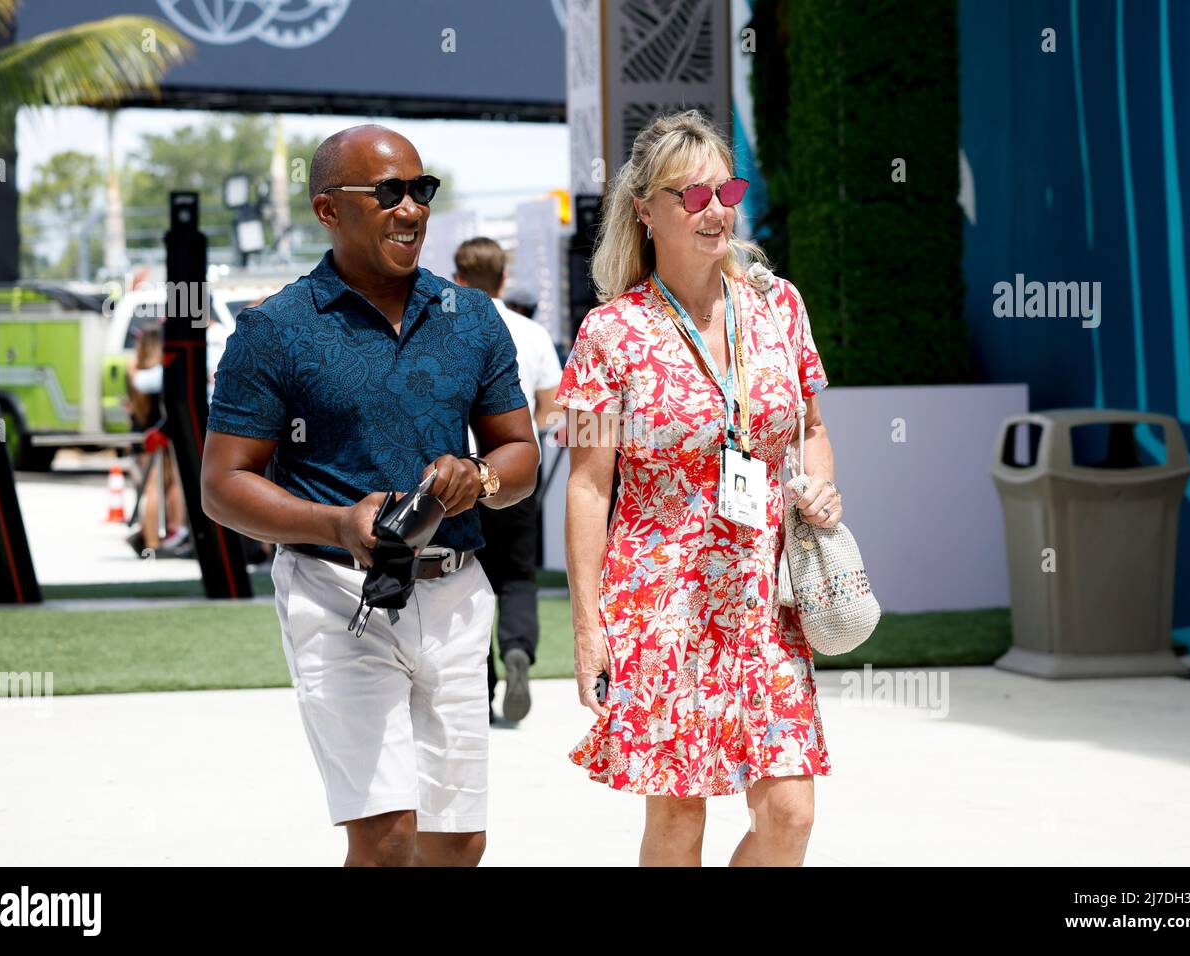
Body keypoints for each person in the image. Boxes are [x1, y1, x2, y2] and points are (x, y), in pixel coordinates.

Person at [200, 124, 538, 867]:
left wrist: (476, 478)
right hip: (334, 597)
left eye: (421, 190)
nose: (411, 209)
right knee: (386, 841)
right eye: (388, 193)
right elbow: (222, 485)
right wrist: (337, 523)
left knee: (458, 843)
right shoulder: (273, 329)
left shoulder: (472, 319)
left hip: (455, 596)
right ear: (329, 209)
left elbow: (522, 457)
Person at [556, 109, 844, 866]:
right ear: (646, 211)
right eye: (690, 196)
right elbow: (587, 488)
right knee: (680, 817)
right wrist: (588, 626)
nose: (715, 210)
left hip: (764, 598)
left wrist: (819, 489)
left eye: (726, 189)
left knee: (791, 811)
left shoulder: (780, 308)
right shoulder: (609, 335)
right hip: (659, 601)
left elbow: (811, 428)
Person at [454, 237, 563, 724]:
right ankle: (518, 648)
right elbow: (553, 405)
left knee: (460, 577)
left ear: (458, 279)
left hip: (457, 475)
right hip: (514, 472)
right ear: (502, 279)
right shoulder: (531, 332)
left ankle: (480, 683)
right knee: (517, 576)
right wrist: (529, 434)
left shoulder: (448, 328)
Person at [125, 325, 189, 557]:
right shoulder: (154, 374)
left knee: (157, 487)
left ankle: (156, 537)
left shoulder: (136, 370)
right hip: (156, 435)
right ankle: (154, 540)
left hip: (143, 433)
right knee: (158, 487)